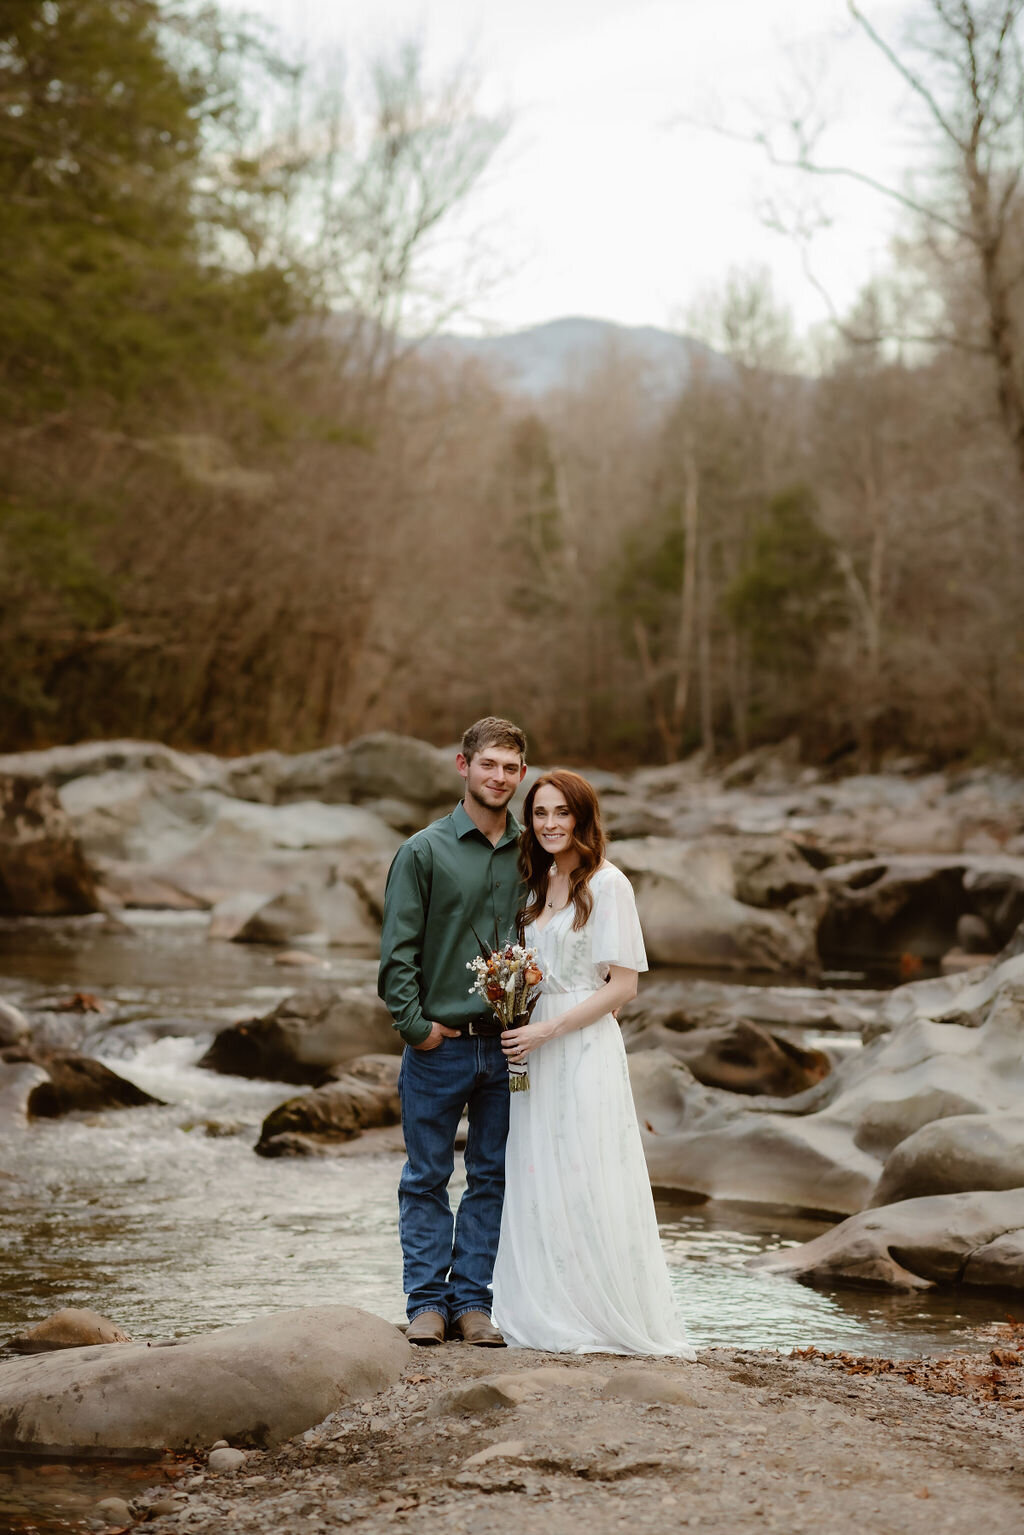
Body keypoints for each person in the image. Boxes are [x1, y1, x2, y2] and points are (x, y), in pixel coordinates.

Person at [491, 770, 695, 1357]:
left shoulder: (609, 885)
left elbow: (623, 987)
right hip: (533, 1042)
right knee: (537, 1170)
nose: (550, 824)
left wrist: (549, 1028)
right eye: (540, 814)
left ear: (583, 818)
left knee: (586, 1169)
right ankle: (544, 1308)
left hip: (579, 1043)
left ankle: (598, 1311)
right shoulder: (538, 881)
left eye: (562, 813)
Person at [378, 717, 527, 1347]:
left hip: (511, 1048)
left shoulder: (534, 851)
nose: (499, 777)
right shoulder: (423, 851)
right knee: (427, 1178)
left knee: (491, 1177)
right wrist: (417, 1030)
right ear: (462, 766)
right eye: (488, 764)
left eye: (512, 768)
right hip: (440, 1047)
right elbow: (397, 954)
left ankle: (473, 1305)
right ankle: (426, 1305)